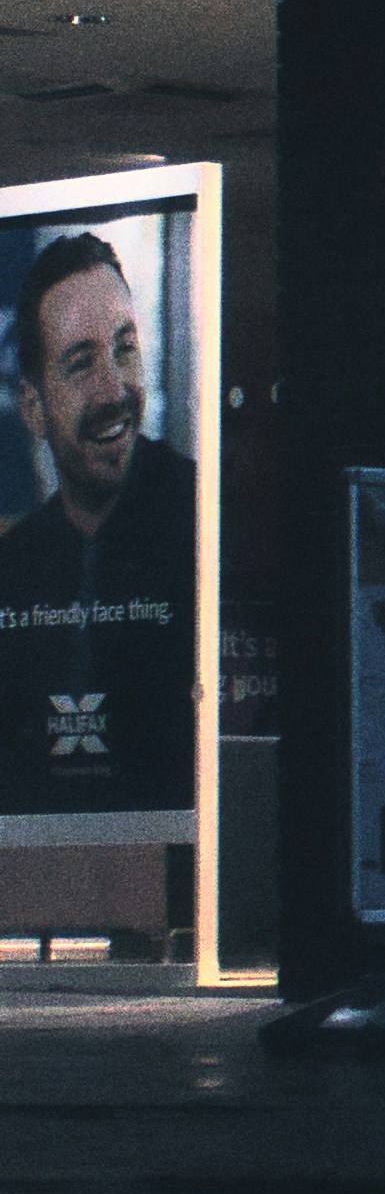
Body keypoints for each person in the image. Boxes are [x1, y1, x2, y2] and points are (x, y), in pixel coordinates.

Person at [0, 229, 202, 824]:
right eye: (82, 364)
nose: (115, 390)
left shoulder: (200, 523)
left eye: (125, 349)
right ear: (33, 408)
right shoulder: (14, 570)